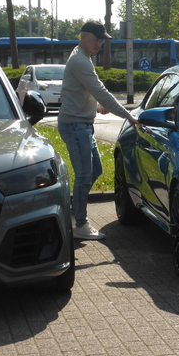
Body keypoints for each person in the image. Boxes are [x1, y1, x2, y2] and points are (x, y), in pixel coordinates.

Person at [58, 20, 138, 240]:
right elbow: (101, 91)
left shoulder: (81, 55)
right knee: (84, 175)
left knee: (95, 171)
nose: (100, 43)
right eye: (96, 39)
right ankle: (81, 225)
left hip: (81, 124)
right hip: (75, 126)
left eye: (102, 40)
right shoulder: (80, 61)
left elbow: (83, 90)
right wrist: (127, 115)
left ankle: (74, 212)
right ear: (83, 36)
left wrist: (95, 105)